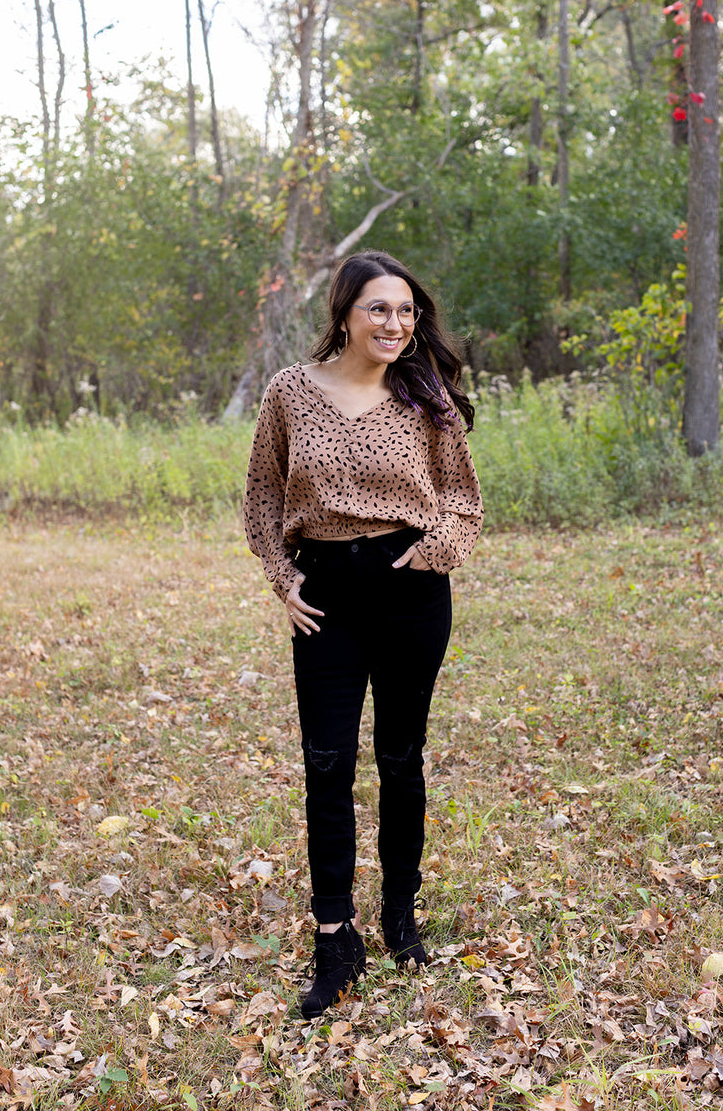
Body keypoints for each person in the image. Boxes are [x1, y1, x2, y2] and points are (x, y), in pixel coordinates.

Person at [243, 250, 483, 1017]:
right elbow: (257, 499)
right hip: (327, 599)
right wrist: (285, 582)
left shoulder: (425, 395)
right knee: (326, 764)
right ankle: (335, 937)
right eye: (380, 308)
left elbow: (463, 500)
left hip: (411, 591)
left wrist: (431, 553)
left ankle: (400, 914)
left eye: (407, 311)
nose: (396, 322)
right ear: (345, 312)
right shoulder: (289, 392)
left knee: (401, 756)